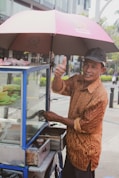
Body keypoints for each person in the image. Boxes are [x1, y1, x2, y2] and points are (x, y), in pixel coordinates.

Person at [43, 47, 108, 178]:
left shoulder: (100, 96)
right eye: (86, 65)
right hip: (72, 147)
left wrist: (57, 118)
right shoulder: (78, 80)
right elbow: (59, 88)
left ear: (102, 70)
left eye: (93, 66)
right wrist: (57, 76)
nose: (88, 70)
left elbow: (84, 125)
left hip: (85, 153)